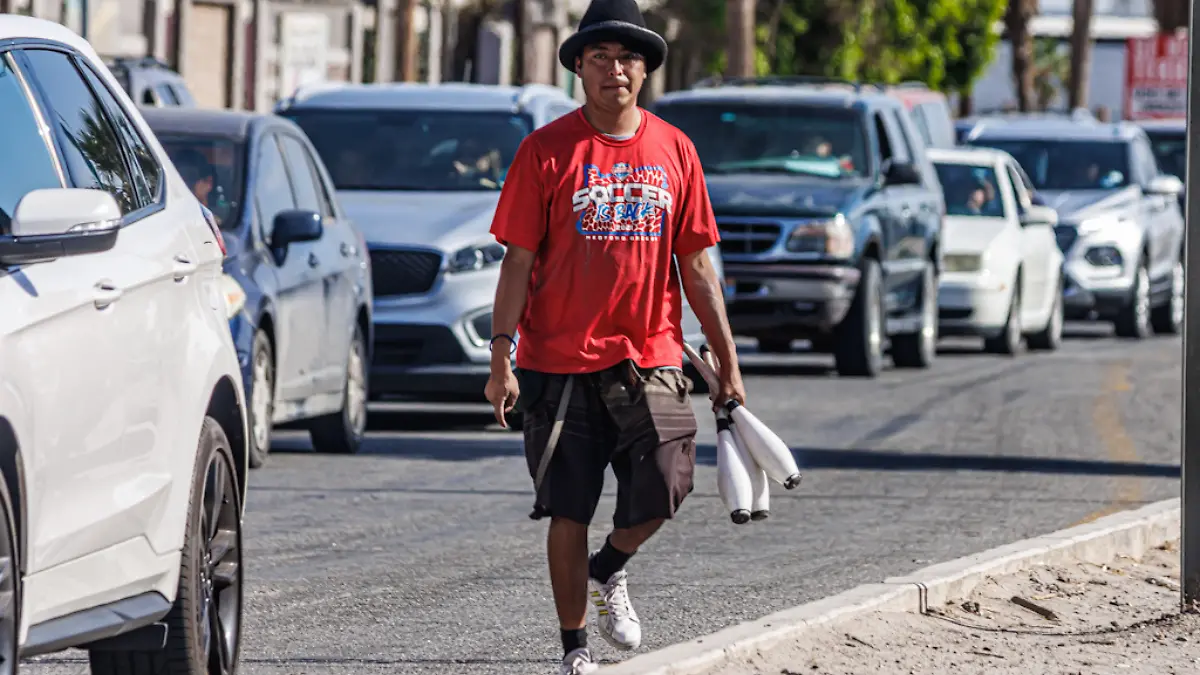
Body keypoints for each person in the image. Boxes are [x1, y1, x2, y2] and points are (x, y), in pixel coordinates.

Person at [482, 1, 745, 673]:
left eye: (627, 58)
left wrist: (729, 360)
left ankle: (611, 564)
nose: (614, 69)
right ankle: (574, 650)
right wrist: (500, 355)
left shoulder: (674, 150)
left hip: (650, 353)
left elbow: (696, 265)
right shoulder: (546, 152)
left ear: (645, 71)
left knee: (668, 479)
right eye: (599, 57)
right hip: (558, 362)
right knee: (567, 506)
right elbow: (517, 261)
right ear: (578, 67)